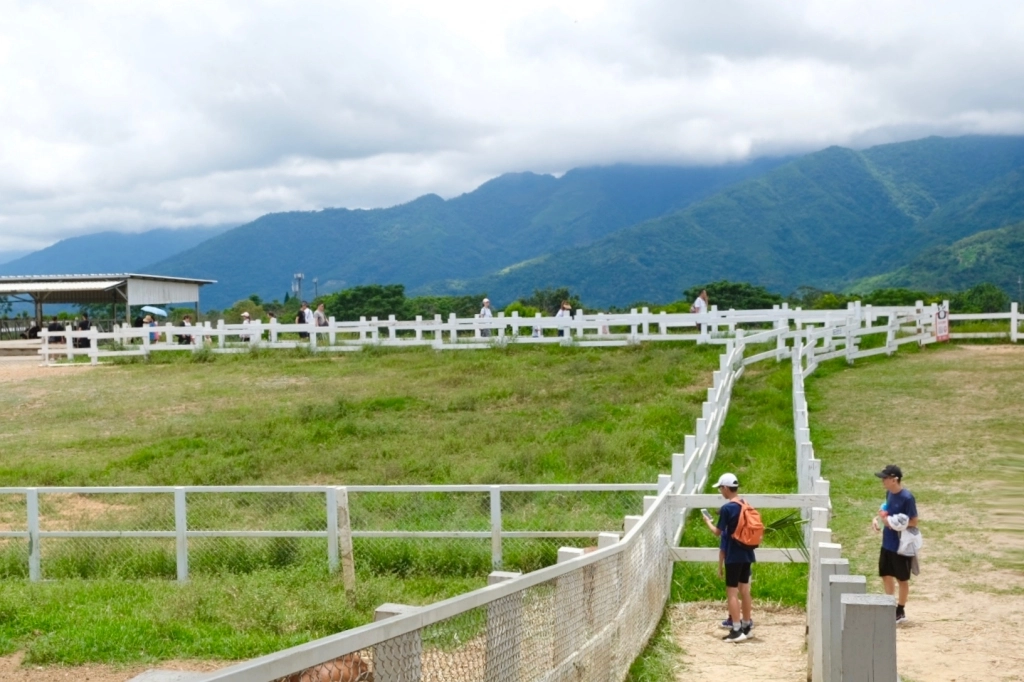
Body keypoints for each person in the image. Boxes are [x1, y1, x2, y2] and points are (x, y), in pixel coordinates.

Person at [702, 472, 755, 642]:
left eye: (720, 488)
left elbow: (718, 532)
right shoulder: (745, 504)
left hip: (733, 555)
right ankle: (747, 626)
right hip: (747, 552)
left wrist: (708, 522)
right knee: (745, 591)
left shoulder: (727, 508)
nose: (720, 492)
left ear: (726, 488)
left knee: (732, 592)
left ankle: (736, 630)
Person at [872, 464, 918, 624]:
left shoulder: (907, 498)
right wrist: (877, 519)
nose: (883, 481)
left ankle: (900, 610)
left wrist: (893, 524)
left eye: (885, 478)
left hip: (901, 546)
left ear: (894, 479)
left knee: (902, 579)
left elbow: (913, 521)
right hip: (887, 543)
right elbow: (886, 510)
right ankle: (889, 605)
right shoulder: (889, 494)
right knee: (886, 575)